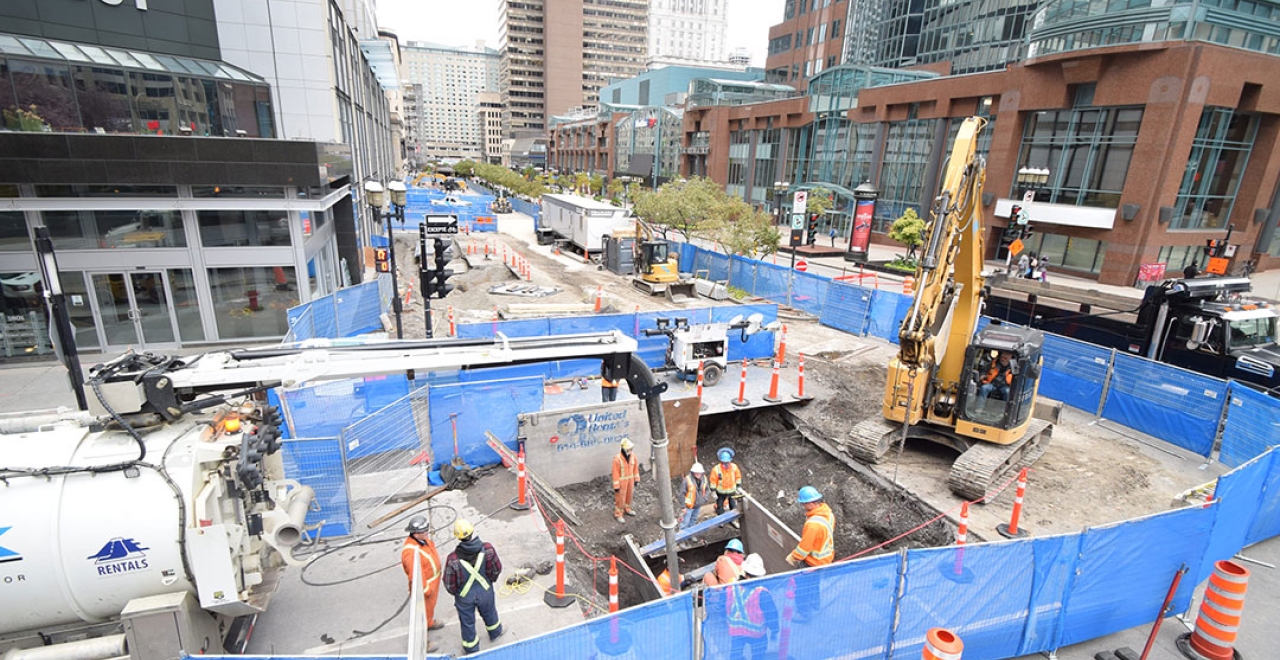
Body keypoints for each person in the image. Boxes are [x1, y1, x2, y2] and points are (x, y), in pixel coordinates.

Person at [442, 519, 505, 655]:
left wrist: (459, 594)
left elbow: (449, 584)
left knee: (467, 623)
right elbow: (497, 568)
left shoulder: (452, 559)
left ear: (458, 537)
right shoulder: (487, 549)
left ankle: (471, 648)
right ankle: (495, 632)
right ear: (472, 531)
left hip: (465, 597)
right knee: (490, 613)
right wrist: (489, 582)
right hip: (485, 591)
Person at [786, 486, 835, 621]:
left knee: (802, 588)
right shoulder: (828, 514)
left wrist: (793, 557)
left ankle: (804, 614)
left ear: (810, 503)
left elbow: (804, 548)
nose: (802, 506)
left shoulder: (812, 524)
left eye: (803, 503)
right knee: (814, 584)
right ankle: (815, 605)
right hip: (825, 559)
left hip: (812, 562)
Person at [400, 515, 444, 652]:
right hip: (425, 589)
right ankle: (422, 642)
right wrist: (425, 590)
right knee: (420, 617)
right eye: (424, 531)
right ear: (415, 533)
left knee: (429, 610)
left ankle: (429, 623)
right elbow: (415, 576)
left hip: (432, 584)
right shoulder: (411, 553)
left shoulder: (422, 541)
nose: (427, 533)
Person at [727, 554, 777, 660]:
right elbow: (772, 614)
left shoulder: (732, 586)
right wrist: (775, 629)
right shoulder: (762, 593)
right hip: (757, 634)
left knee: (735, 655)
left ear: (745, 572)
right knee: (758, 655)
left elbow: (725, 605)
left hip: (736, 631)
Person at [611, 437, 640, 523]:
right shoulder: (617, 459)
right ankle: (618, 514)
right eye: (629, 449)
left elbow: (635, 469)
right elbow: (615, 473)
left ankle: (627, 509)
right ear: (624, 449)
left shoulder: (633, 456)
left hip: (630, 480)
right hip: (621, 482)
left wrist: (636, 479)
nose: (630, 450)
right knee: (620, 498)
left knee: (629, 496)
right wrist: (616, 486)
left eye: (631, 449)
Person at [709, 447, 743, 517]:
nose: (725, 464)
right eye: (724, 462)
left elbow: (738, 477)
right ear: (721, 461)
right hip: (721, 492)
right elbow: (713, 481)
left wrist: (738, 487)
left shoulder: (734, 467)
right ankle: (721, 520)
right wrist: (713, 491)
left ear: (730, 460)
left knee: (733, 505)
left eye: (727, 462)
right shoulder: (716, 469)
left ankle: (733, 519)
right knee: (720, 506)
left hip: (732, 491)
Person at [680, 462, 710, 531]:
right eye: (696, 472)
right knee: (685, 522)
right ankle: (682, 537)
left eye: (699, 473)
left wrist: (704, 498)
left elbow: (708, 489)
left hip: (698, 505)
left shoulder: (704, 479)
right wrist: (683, 507)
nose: (698, 474)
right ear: (693, 472)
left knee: (693, 520)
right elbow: (681, 494)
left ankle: (690, 534)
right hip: (689, 506)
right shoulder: (687, 480)